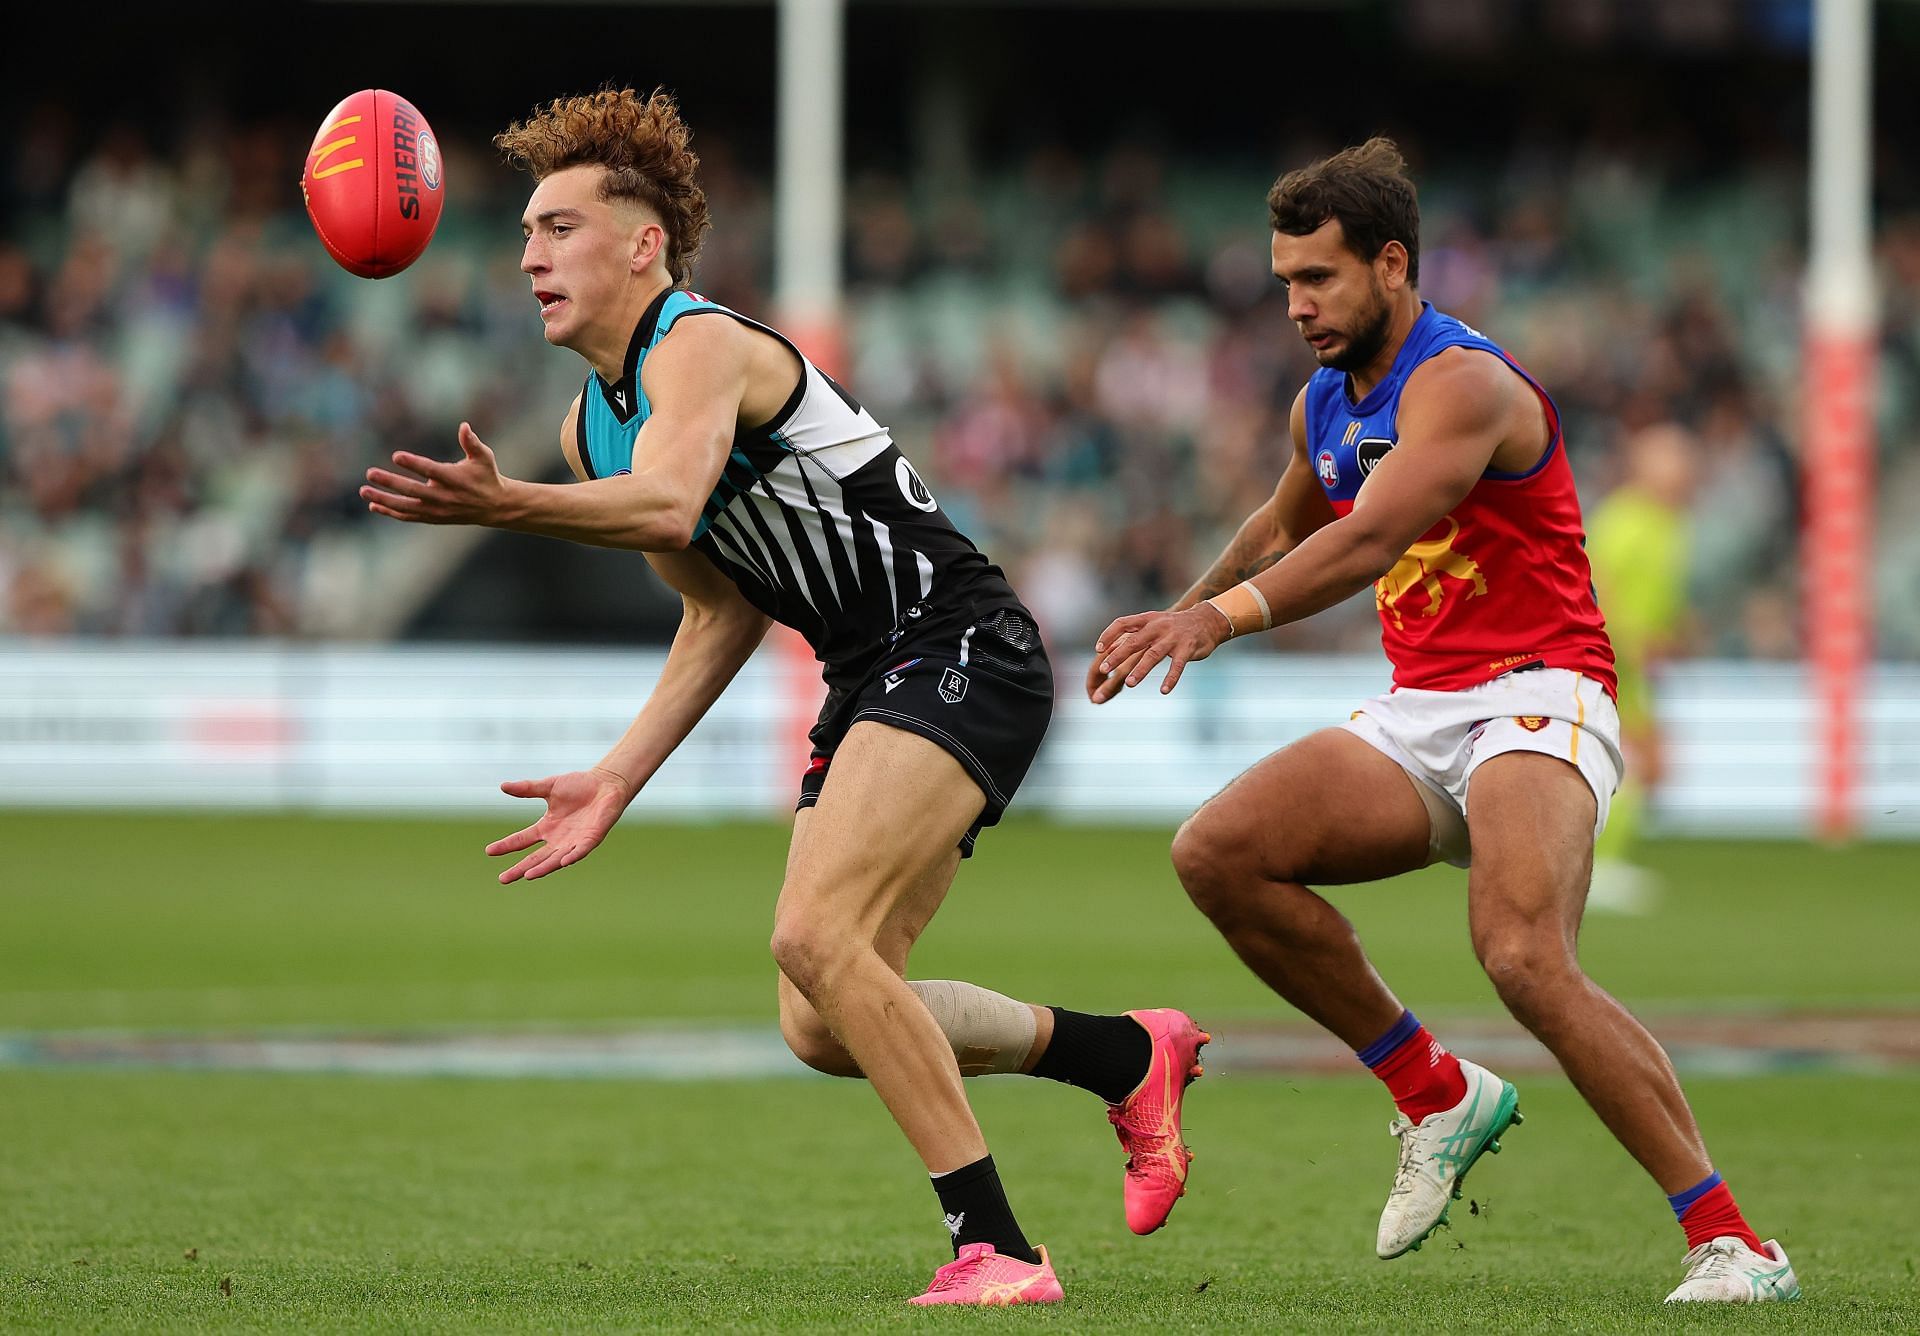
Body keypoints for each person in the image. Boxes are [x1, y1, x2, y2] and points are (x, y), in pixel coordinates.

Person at [358, 87, 1207, 1307]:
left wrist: (505, 503)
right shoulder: (593, 428)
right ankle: (1126, 1052)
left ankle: (1000, 1249)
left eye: (560, 228)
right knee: (820, 1020)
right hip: (875, 673)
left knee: (814, 936)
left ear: (644, 245)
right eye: (528, 233)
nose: (530, 255)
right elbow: (721, 607)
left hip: (958, 636)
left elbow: (668, 503)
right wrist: (617, 776)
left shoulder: (694, 344)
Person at [1085, 139, 1797, 1305]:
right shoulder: (1327, 396)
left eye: (1318, 279)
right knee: (1219, 853)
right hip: (1425, 709)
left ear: (1395, 264)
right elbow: (1280, 524)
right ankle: (1432, 1089)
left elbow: (1365, 540)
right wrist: (1172, 614)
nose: (1297, 306)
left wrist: (1215, 624)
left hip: (1537, 690)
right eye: (1283, 285)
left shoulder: (1462, 382)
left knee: (1522, 957)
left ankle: (1734, 1243)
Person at [1584, 423, 1700, 913]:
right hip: (1611, 656)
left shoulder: (1670, 523)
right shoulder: (1626, 519)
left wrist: (1674, 632)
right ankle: (1596, 866)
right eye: (1670, 458)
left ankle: (1598, 861)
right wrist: (1634, 640)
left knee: (1647, 762)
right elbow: (1596, 582)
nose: (1683, 469)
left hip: (1633, 661)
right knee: (1634, 757)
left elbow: (1659, 596)